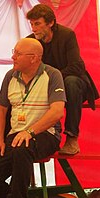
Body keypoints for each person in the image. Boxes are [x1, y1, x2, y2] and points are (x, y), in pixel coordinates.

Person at [0, 38, 66, 198]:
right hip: (16, 136)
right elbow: (1, 109)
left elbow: (57, 112)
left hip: (45, 134)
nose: (13, 57)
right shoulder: (10, 76)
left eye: (18, 54)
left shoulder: (53, 75)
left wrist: (30, 132)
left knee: (22, 148)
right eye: (14, 52)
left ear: (34, 58)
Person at [26, 4, 99, 155]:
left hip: (74, 82)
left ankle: (72, 138)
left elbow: (77, 67)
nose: (33, 28)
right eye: (31, 24)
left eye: (37, 23)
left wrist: (53, 78)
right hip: (47, 84)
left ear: (51, 23)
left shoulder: (67, 35)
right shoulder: (31, 41)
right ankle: (34, 134)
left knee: (70, 82)